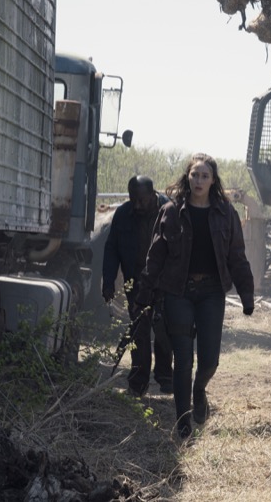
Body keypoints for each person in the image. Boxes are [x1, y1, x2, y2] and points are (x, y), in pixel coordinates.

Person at [137, 153, 254, 439]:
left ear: (213, 180)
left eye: (205, 176)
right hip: (179, 292)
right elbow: (155, 257)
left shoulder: (226, 213)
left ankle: (199, 390)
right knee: (183, 359)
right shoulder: (172, 212)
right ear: (187, 178)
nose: (199, 180)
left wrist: (247, 294)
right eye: (194, 175)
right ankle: (183, 422)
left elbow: (237, 257)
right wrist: (144, 293)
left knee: (210, 360)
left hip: (212, 292)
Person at [102, 175, 173, 395]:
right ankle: (138, 382)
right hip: (136, 282)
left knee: (164, 331)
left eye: (142, 200)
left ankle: (164, 376)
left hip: (164, 283)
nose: (138, 205)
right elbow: (111, 248)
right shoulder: (123, 214)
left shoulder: (170, 211)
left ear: (153, 195)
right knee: (139, 332)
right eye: (134, 199)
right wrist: (108, 281)